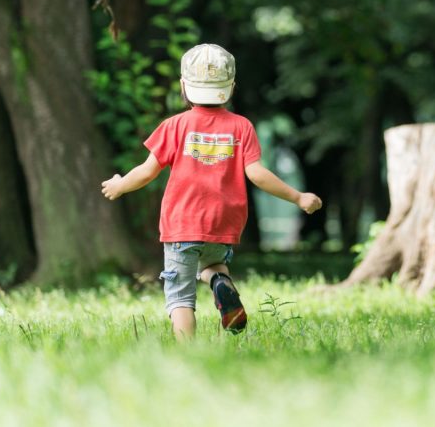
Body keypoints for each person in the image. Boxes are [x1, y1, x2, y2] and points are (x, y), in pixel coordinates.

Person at [101, 43, 322, 340]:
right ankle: (219, 280)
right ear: (230, 86)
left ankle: (188, 351)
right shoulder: (241, 127)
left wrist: (119, 184)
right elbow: (257, 174)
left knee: (179, 294)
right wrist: (298, 196)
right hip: (223, 221)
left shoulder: (175, 126)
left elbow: (147, 171)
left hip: (182, 223)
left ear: (183, 86)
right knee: (212, 263)